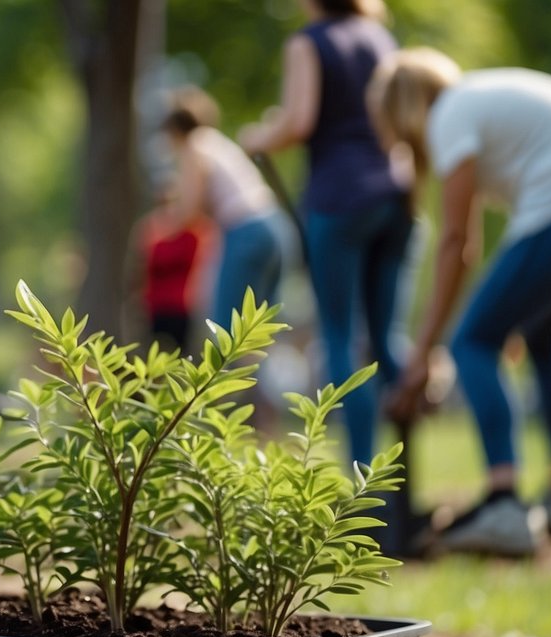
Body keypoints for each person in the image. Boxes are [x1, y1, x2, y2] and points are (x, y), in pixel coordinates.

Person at [368, 48, 551, 555]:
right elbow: (479, 245)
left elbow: (455, 242)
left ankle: (504, 504)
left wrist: (425, 353)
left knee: (472, 342)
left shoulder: (449, 115)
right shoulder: (483, 99)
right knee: (543, 336)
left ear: (404, 109)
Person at [239, 0, 414, 469]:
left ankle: (363, 486)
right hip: (396, 195)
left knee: (339, 335)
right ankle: (402, 485)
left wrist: (257, 137)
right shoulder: (379, 36)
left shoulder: (308, 41)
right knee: (386, 337)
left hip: (339, 198)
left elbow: (298, 121)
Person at [160, 86, 292, 335]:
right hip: (275, 226)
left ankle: (230, 375)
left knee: (227, 328)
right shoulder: (217, 142)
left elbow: (190, 209)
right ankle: (258, 375)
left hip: (246, 232)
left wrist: (168, 225)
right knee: (257, 331)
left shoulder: (194, 145)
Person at [131, 182, 211, 352]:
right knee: (155, 356)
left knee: (184, 354)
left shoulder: (193, 229)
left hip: (184, 306)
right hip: (156, 307)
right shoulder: (150, 228)